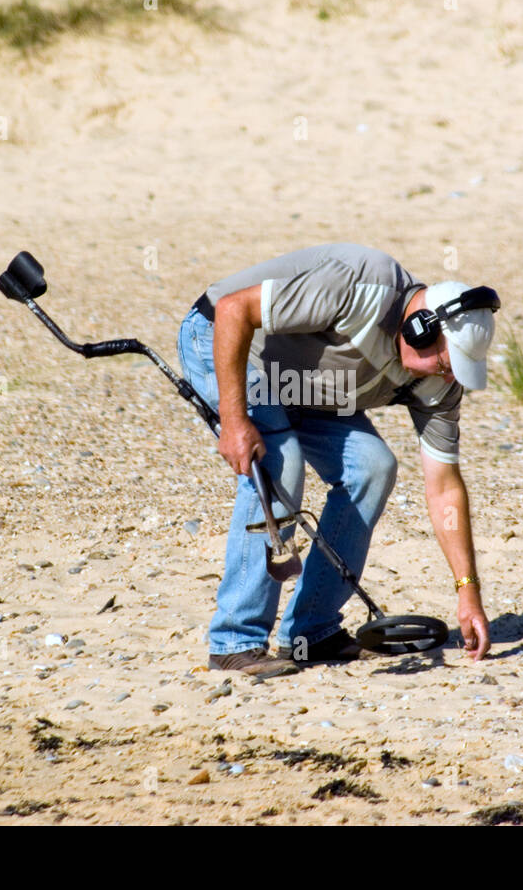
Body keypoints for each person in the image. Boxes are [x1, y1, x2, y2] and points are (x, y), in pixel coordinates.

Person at [177, 243, 498, 677]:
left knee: (373, 466)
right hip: (226, 342)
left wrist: (468, 592)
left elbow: (444, 488)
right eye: (445, 360)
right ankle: (235, 642)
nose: (447, 375)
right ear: (421, 328)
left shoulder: (441, 386)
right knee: (281, 463)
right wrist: (234, 421)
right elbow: (234, 310)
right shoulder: (360, 283)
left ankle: (311, 633)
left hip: (307, 386)